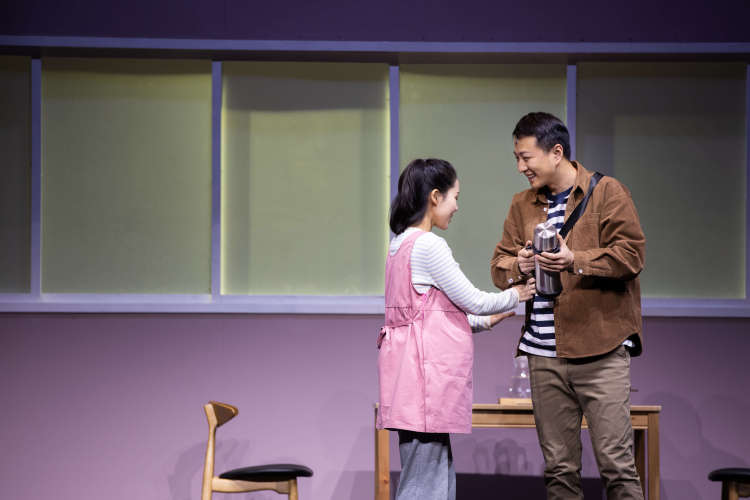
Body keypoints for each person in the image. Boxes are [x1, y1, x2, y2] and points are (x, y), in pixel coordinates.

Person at [491, 112, 646, 500]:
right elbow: (498, 267)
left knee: (616, 466)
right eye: (516, 158)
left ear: (556, 152)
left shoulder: (608, 192)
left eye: (526, 157)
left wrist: (574, 259)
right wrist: (519, 264)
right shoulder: (521, 204)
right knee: (559, 471)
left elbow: (631, 257)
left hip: (601, 351)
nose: (520, 167)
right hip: (543, 355)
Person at [377, 158, 535, 500]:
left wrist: (487, 320)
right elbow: (474, 300)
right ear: (435, 197)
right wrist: (517, 294)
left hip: (410, 384)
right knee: (425, 486)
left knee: (436, 481)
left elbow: (427, 315)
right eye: (455, 197)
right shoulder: (428, 245)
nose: (457, 207)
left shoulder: (399, 245)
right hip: (425, 385)